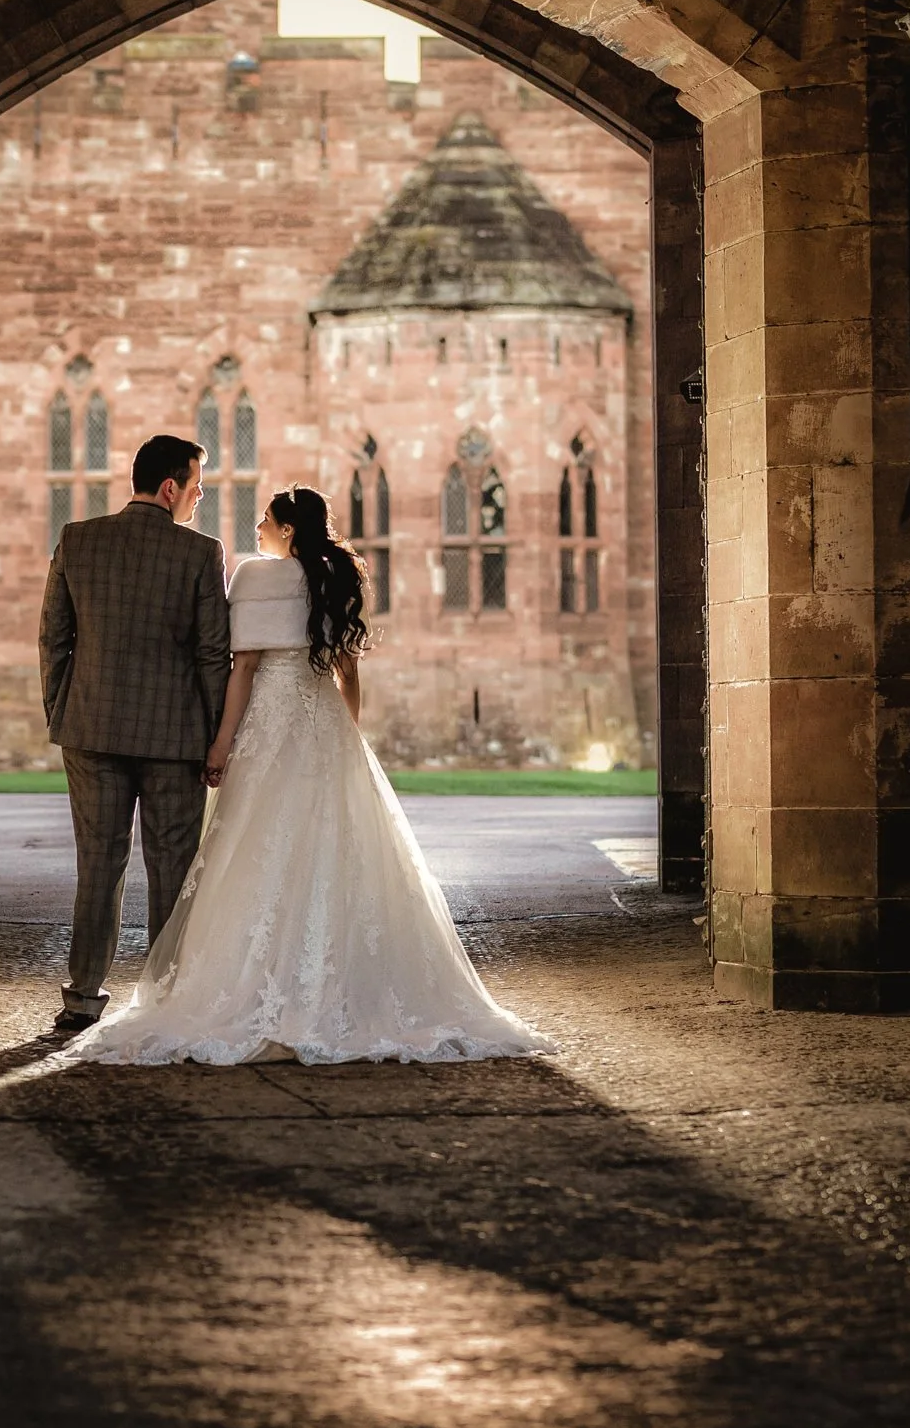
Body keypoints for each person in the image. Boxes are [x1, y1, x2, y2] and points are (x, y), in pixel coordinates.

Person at [62, 484, 552, 1065]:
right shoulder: (335, 577)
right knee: (335, 851)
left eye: (266, 520)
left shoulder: (252, 578)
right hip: (323, 724)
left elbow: (241, 669)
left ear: (287, 529)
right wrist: (349, 736)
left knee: (256, 849)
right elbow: (348, 673)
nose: (258, 528)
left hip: (267, 726)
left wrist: (220, 744)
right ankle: (342, 984)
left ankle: (250, 983)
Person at [37, 432, 231, 1032]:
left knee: (98, 863)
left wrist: (62, 710)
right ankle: (166, 1001)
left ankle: (83, 996)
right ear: (169, 488)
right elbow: (211, 654)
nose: (198, 500)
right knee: (172, 867)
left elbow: (53, 638)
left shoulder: (79, 540)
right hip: (175, 739)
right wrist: (217, 736)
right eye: (195, 488)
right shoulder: (200, 554)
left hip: (90, 728)